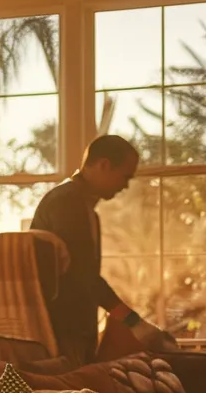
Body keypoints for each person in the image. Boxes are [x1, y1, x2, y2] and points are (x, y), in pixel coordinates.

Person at [29, 135, 173, 365]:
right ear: (104, 165)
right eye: (125, 176)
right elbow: (83, 277)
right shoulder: (68, 203)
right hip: (63, 332)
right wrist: (133, 322)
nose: (125, 186)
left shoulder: (77, 204)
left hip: (69, 328)